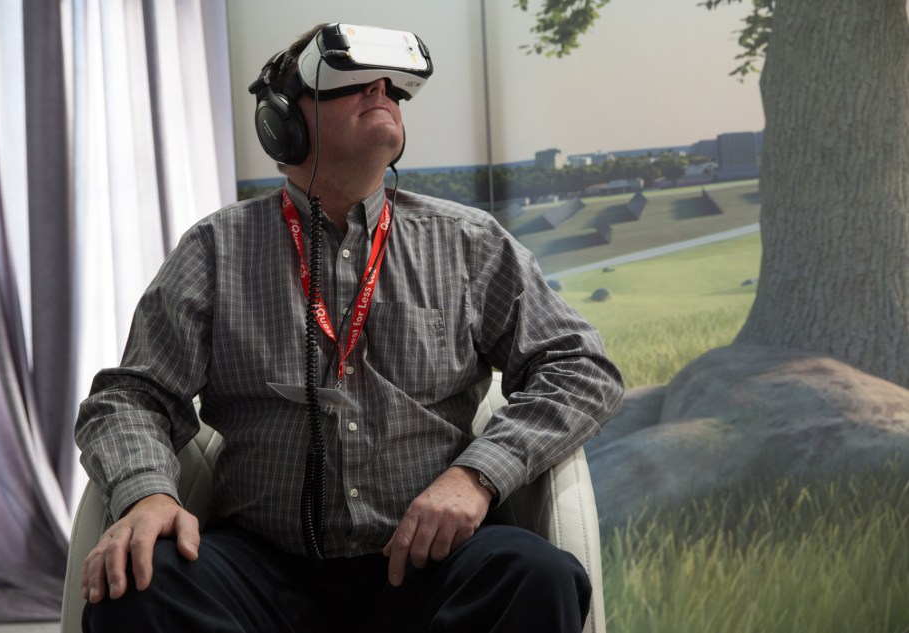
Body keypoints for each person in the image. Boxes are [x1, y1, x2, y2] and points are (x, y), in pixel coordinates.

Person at [75, 22, 623, 633]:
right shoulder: (216, 248)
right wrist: (148, 492)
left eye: (390, 86)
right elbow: (127, 398)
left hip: (427, 563)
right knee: (137, 588)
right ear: (284, 122)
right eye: (354, 83)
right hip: (262, 568)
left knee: (537, 575)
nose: (381, 92)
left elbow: (581, 367)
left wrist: (478, 475)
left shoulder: (469, 242)